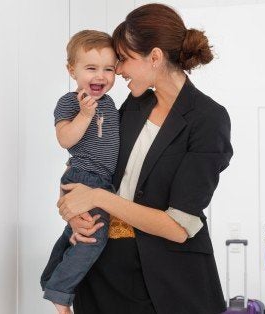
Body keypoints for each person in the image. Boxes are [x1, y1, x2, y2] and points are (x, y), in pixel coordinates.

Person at [56, 3, 233, 314]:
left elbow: (179, 226)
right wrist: (71, 206)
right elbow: (90, 162)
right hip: (104, 274)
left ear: (154, 57)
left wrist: (96, 197)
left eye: (123, 60)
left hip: (169, 284)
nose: (118, 70)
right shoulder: (133, 106)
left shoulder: (208, 119)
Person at [40, 30, 120, 314]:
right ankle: (61, 292)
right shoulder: (69, 102)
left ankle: (51, 277)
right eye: (91, 68)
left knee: (75, 233)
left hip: (100, 182)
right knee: (93, 238)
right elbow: (65, 139)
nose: (100, 76)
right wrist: (85, 115)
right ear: (71, 70)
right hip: (84, 177)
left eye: (108, 69)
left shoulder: (110, 104)